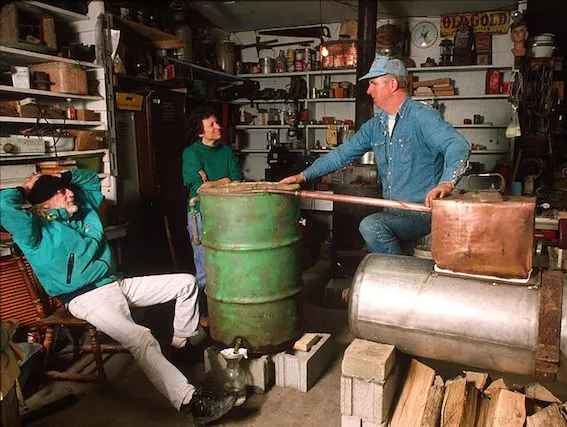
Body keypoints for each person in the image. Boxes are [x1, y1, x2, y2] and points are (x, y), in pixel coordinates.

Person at [0, 170, 234, 425]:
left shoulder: (81, 210)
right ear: (45, 205)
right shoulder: (34, 231)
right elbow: (3, 206)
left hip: (115, 282)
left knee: (186, 283)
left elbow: (90, 179)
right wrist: (24, 189)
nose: (69, 193)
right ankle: (191, 402)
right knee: (140, 338)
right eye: (60, 192)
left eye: (66, 188)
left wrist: (61, 176)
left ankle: (180, 346)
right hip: (87, 297)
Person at [280, 55, 470, 255]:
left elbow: (457, 146)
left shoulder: (422, 116)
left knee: (372, 226)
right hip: (392, 210)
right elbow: (342, 154)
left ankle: (395, 273)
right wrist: (303, 176)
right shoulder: (375, 126)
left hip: (422, 212)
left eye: (373, 83)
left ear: (393, 84)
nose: (368, 90)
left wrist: (446, 183)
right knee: (393, 251)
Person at [182, 108, 244, 323]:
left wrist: (212, 183)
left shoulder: (226, 151)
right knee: (204, 269)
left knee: (230, 265)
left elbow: (237, 181)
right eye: (212, 125)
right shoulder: (191, 153)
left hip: (228, 216)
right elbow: (199, 188)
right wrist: (224, 181)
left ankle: (228, 310)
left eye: (217, 122)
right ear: (200, 132)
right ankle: (205, 314)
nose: (218, 127)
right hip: (201, 216)